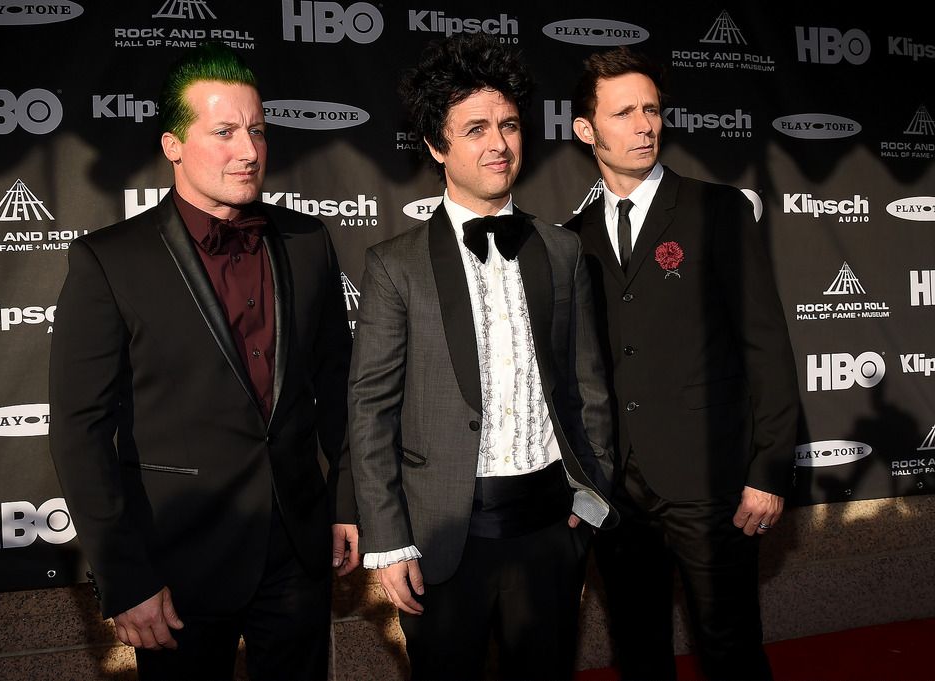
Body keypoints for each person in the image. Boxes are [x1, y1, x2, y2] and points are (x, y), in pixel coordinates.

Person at [48, 42, 358, 681]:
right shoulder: (110, 260)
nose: (248, 150)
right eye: (224, 132)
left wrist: (348, 503)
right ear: (173, 146)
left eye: (257, 131)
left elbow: (340, 384)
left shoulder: (307, 242)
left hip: (298, 550)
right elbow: (80, 433)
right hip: (176, 561)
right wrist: (124, 577)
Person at [348, 33, 617, 681]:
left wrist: (589, 503)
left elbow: (589, 387)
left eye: (508, 125)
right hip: (443, 536)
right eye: (474, 129)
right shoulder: (396, 265)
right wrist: (389, 541)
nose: (498, 143)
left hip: (551, 528)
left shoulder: (561, 251)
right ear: (437, 146)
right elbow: (370, 409)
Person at [565, 46, 799, 680]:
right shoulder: (570, 237)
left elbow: (766, 344)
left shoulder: (716, 210)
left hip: (712, 481)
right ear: (586, 130)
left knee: (730, 650)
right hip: (617, 492)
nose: (644, 125)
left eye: (652, 110)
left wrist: (770, 467)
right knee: (639, 649)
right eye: (623, 113)